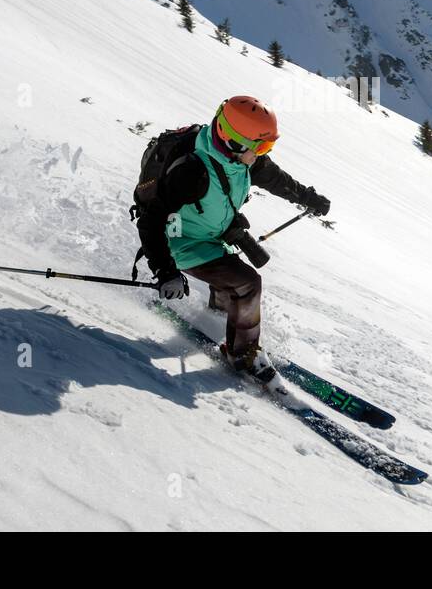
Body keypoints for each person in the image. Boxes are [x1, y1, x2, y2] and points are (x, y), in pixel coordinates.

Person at [134, 96, 330, 380]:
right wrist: (166, 271)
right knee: (247, 283)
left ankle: (219, 320)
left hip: (209, 234)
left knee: (230, 277)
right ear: (234, 142)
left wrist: (308, 198)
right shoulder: (192, 172)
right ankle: (244, 356)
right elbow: (151, 220)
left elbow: (277, 180)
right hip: (179, 241)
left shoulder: (244, 159)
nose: (264, 153)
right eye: (261, 146)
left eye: (268, 146)